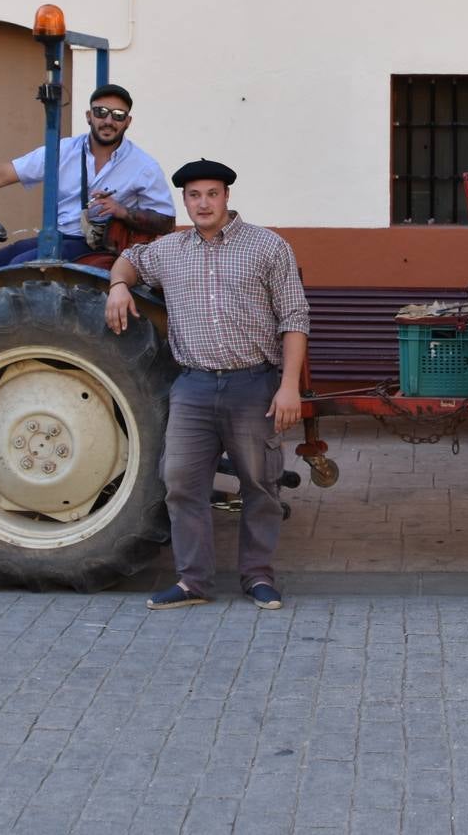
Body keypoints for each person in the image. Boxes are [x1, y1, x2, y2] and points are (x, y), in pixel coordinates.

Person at [105, 160, 309, 612]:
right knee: (179, 482)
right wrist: (118, 285)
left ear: (227, 197)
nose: (203, 203)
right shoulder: (169, 250)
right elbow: (129, 260)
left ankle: (257, 577)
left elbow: (295, 319)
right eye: (194, 195)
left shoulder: (267, 247)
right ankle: (193, 580)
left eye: (211, 194)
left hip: (253, 383)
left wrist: (288, 386)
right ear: (185, 201)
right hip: (193, 386)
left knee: (260, 483)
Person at [0, 83, 173, 275]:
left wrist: (122, 211)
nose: (108, 121)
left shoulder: (143, 166)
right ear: (89, 116)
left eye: (118, 116)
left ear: (128, 122)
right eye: (101, 112)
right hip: (57, 238)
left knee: (15, 273)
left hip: (97, 247)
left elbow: (166, 221)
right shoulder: (62, 151)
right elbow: (2, 173)